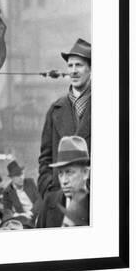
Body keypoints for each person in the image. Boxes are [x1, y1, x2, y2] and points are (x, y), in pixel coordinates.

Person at [38, 38, 91, 198]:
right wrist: (48, 188)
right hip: (59, 196)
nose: (73, 71)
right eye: (70, 66)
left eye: (79, 65)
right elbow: (45, 157)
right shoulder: (55, 110)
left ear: (91, 68)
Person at [37, 135, 90, 229]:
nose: (64, 181)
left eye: (69, 172)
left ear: (85, 173)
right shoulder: (49, 202)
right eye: (60, 173)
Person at [2, 161, 41, 226]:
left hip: (36, 214)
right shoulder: (7, 192)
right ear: (12, 178)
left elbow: (39, 200)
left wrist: (30, 212)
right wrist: (18, 215)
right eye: (18, 175)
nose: (21, 178)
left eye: (22, 174)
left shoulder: (30, 182)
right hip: (23, 220)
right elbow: (7, 210)